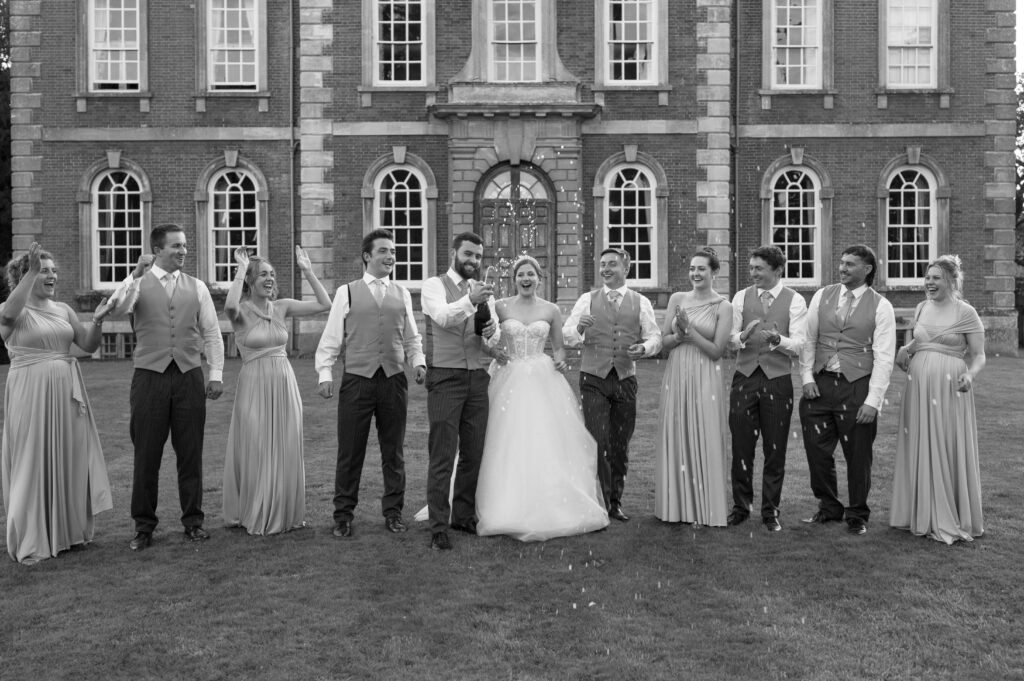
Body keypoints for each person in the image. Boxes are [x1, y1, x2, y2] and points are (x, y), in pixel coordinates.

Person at [476, 256, 609, 541]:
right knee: (502, 438)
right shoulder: (500, 306)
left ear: (540, 278)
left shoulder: (550, 310)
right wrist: (494, 352)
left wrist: (561, 362)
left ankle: (547, 498)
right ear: (514, 279)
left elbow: (558, 348)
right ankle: (502, 500)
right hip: (508, 376)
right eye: (520, 274)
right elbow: (487, 339)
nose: (526, 279)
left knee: (544, 438)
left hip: (541, 376)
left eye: (531, 275)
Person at [112, 224, 225, 551]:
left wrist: (215, 373)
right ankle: (143, 527)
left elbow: (213, 333)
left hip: (189, 375)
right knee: (146, 454)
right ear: (157, 249)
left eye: (185, 246)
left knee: (191, 454)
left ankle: (194, 521)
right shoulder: (137, 284)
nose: (183, 251)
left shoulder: (197, 286)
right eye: (176, 246)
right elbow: (117, 308)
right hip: (149, 377)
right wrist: (134, 274)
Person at [0, 243, 113, 564]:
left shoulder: (64, 309)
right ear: (27, 276)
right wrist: (32, 268)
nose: (52, 275)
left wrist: (100, 321)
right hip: (30, 393)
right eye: (44, 270)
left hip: (66, 394)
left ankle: (69, 533)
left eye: (53, 271)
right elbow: (8, 315)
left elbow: (87, 346)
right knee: (31, 459)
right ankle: (34, 535)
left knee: (69, 458)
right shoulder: (12, 310)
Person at [316, 229, 426, 539]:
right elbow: (331, 338)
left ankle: (393, 513)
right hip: (357, 381)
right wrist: (325, 373)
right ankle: (343, 516)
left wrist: (418, 362)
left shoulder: (402, 293)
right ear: (367, 256)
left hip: (393, 380)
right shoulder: (346, 292)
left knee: (394, 453)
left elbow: (411, 336)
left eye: (392, 251)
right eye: (384, 251)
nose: (391, 256)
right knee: (350, 452)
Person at [222, 246, 331, 535]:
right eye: (262, 275)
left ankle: (283, 511)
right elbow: (230, 306)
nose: (269, 279)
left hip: (284, 383)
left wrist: (307, 270)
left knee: (284, 445)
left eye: (272, 274)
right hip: (254, 385)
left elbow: (325, 304)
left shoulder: (282, 307)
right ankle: (256, 511)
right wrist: (240, 269)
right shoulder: (242, 312)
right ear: (250, 280)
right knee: (257, 446)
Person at [799, 244, 896, 536]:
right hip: (821, 382)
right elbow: (808, 339)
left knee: (858, 454)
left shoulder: (881, 306)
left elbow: (885, 357)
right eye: (841, 263)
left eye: (850, 264)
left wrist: (873, 401)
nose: (842, 268)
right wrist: (806, 377)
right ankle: (829, 507)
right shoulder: (822, 295)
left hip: (858, 385)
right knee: (816, 450)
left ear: (867, 269)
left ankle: (857, 514)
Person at [890, 256, 986, 544]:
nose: (929, 283)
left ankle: (948, 514)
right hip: (918, 385)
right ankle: (919, 513)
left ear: (951, 281)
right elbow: (921, 340)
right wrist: (904, 349)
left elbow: (979, 354)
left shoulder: (966, 312)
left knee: (946, 443)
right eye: (928, 277)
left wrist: (970, 375)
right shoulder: (921, 307)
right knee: (919, 441)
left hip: (949, 388)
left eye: (936, 278)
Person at [562, 247, 662, 523]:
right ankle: (599, 501)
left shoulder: (640, 302)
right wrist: (579, 328)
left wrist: (644, 348)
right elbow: (567, 336)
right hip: (593, 378)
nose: (606, 269)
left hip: (625, 381)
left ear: (625, 269)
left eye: (612, 264)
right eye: (603, 264)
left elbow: (655, 337)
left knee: (620, 444)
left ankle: (615, 502)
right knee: (598, 440)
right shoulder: (587, 299)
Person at [420, 232, 503, 551]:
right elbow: (441, 317)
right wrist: (471, 300)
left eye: (479, 256)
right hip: (445, 376)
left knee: (473, 451)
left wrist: (492, 331)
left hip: (478, 377)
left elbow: (491, 340)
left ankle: (463, 516)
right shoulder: (434, 285)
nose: (473, 261)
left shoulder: (485, 294)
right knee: (442, 452)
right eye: (468, 254)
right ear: (455, 253)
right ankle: (438, 525)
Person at [727, 245, 807, 532]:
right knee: (741, 447)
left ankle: (770, 510)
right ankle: (740, 507)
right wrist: (741, 337)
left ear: (777, 270)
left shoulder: (795, 301)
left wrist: (778, 340)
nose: (753, 273)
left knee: (775, 448)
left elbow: (799, 344)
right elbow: (730, 338)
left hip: (778, 380)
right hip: (744, 377)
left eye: (759, 268)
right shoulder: (740, 297)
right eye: (751, 268)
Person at [654, 248, 732, 527]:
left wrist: (690, 332)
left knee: (704, 431)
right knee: (677, 431)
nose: (695, 274)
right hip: (677, 371)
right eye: (692, 269)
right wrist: (677, 334)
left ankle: (705, 508)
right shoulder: (677, 299)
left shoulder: (723, 306)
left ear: (714, 272)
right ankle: (676, 506)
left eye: (701, 269)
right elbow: (664, 343)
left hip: (705, 373)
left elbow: (716, 350)